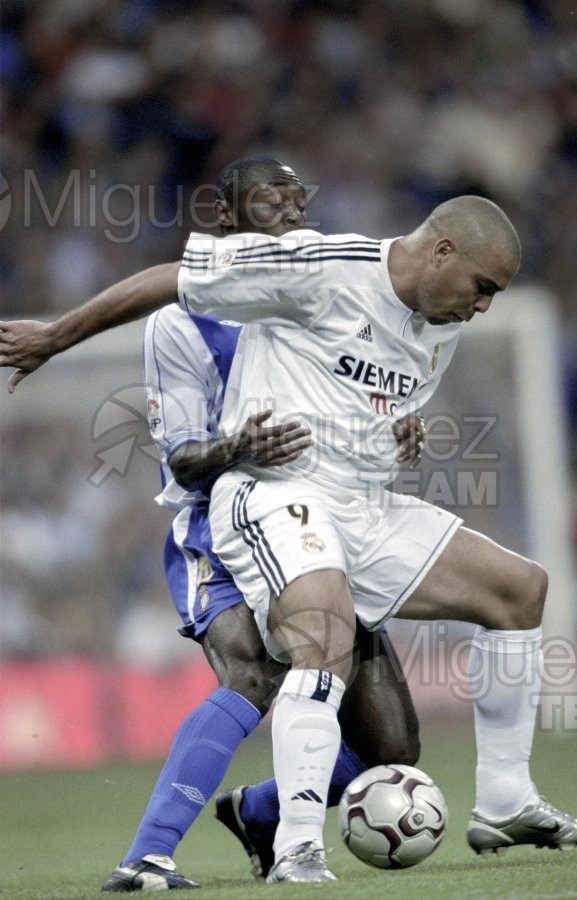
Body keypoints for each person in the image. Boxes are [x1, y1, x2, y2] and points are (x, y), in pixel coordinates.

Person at [2, 184, 577, 883]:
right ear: (440, 251)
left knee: (517, 591)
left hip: (361, 507)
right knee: (318, 638)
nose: (484, 305)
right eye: (482, 285)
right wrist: (53, 336)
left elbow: (358, 394)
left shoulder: (440, 316)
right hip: (274, 495)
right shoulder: (322, 270)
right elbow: (170, 281)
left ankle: (503, 801)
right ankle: (295, 847)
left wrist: (394, 434)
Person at [2, 158, 421, 891]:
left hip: (319, 519)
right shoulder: (181, 322)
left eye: (298, 200)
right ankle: (146, 857)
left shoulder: (324, 298)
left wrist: (394, 429)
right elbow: (183, 461)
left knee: (392, 750)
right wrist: (239, 446)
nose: (291, 213)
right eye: (269, 201)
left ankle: (257, 813)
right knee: (252, 672)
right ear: (224, 220)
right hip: (219, 526)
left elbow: (364, 407)